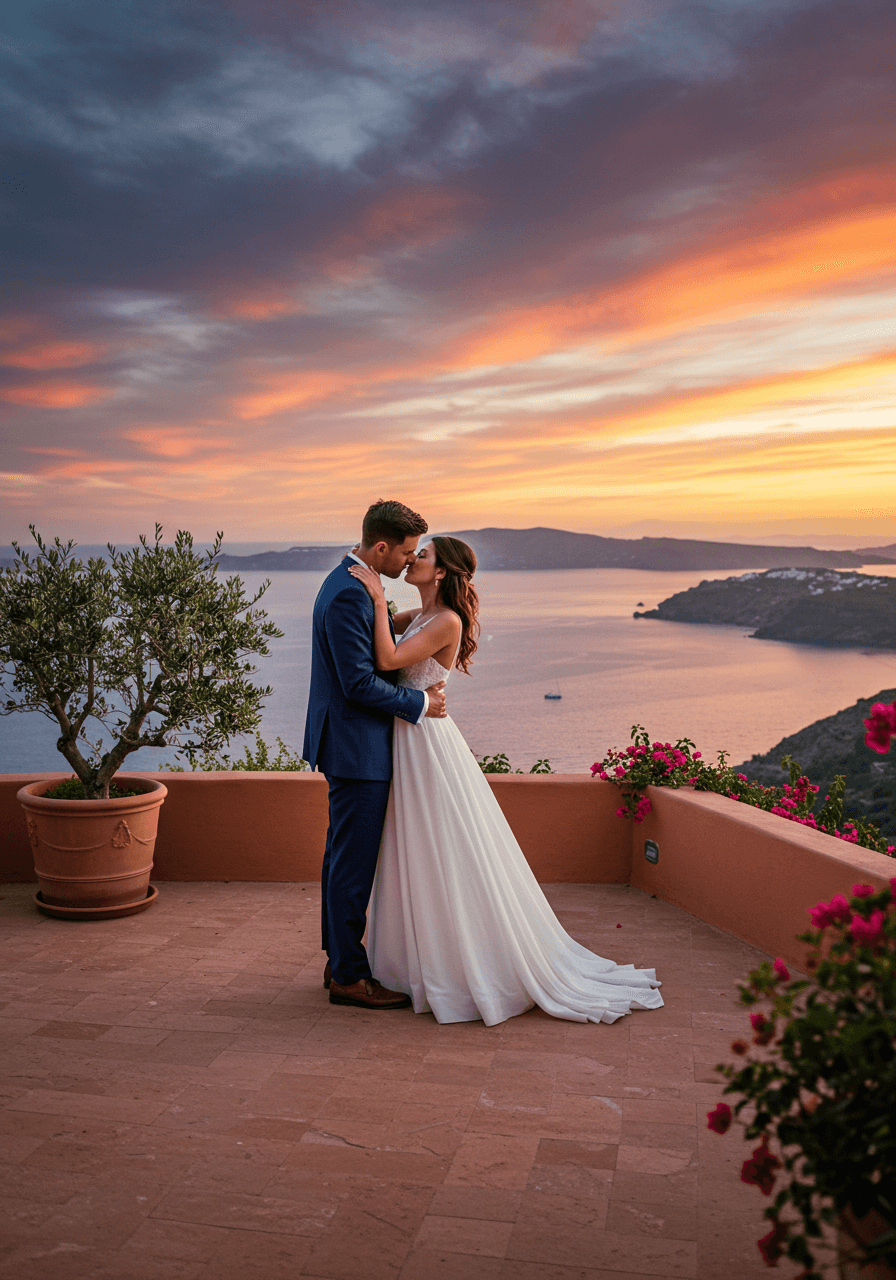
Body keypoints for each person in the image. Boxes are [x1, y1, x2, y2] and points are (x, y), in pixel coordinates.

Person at [348, 536, 664, 1026]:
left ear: (441, 573)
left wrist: (373, 593)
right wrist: (378, 603)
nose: (413, 560)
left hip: (426, 743)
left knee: (443, 846)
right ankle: (415, 962)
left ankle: (464, 964)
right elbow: (381, 642)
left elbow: (388, 661)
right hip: (408, 737)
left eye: (423, 555)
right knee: (415, 847)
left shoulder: (446, 620)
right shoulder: (419, 616)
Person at [303, 500, 448, 1010]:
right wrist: (421, 701)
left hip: (350, 743)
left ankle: (338, 959)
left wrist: (408, 610)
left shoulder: (356, 582)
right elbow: (359, 683)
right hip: (356, 746)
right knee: (352, 865)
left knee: (342, 858)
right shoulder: (350, 593)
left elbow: (385, 634)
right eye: (406, 552)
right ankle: (347, 974)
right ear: (380, 547)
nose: (410, 562)